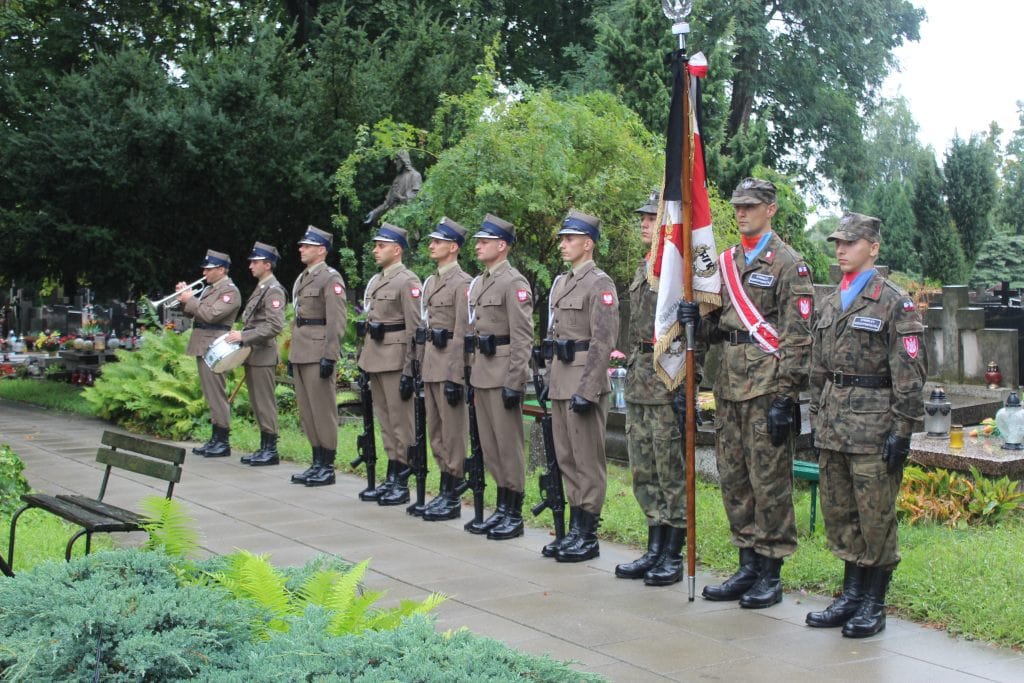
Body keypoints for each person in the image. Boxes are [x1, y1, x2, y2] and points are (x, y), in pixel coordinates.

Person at [806, 213, 926, 638]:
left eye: (851, 242)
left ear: (872, 248)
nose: (841, 249)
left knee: (875, 517)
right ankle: (850, 595)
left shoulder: (893, 301)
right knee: (840, 513)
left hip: (874, 430)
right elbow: (818, 367)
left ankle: (873, 602)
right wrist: (817, 417)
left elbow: (910, 374)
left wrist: (902, 431)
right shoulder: (831, 301)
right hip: (834, 426)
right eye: (838, 242)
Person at [699, 177, 814, 608]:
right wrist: (696, 318)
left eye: (751, 206)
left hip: (767, 388)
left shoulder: (789, 264)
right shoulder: (726, 262)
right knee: (734, 479)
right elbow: (717, 327)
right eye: (738, 206)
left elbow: (797, 338)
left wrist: (787, 397)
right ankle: (746, 564)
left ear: (771, 209)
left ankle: (770, 569)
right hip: (728, 386)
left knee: (770, 482)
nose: (741, 212)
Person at [615, 191, 698, 584]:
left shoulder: (681, 272)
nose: (645, 224)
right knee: (643, 467)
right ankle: (654, 546)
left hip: (667, 378)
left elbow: (696, 333)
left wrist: (688, 387)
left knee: (669, 469)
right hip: (639, 377)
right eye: (643, 218)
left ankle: (673, 553)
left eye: (652, 218)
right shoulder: (642, 268)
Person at [542, 210, 619, 562]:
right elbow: (552, 334)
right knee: (566, 458)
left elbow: (603, 342)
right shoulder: (561, 283)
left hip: (583, 382)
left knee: (587, 460)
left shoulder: (599, 283)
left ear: (587, 243)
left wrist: (587, 390)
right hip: (560, 379)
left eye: (569, 238)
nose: (563, 244)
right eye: (562, 238)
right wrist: (547, 376)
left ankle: (588, 534)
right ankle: (575, 529)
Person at [465, 214, 533, 540]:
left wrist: (515, 380)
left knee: (509, 446)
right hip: (482, 373)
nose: (477, 245)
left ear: (501, 246)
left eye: (484, 241)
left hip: (504, 373)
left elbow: (522, 337)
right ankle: (502, 506)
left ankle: (514, 512)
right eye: (478, 240)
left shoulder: (513, 283)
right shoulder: (479, 282)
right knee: (491, 447)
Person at [357, 223, 422, 505]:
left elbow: (414, 328)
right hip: (375, 357)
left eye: (381, 246)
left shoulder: (407, 281)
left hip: (396, 360)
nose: (375, 250)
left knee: (401, 423)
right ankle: (392, 472)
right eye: (376, 245)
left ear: (397, 250)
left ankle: (404, 478)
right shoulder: (376, 281)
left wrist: (411, 368)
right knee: (385, 421)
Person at [419, 217, 473, 521]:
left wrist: (455, 375)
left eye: (438, 242)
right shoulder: (432, 281)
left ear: (453, 247)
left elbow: (461, 332)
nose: (431, 245)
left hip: (448, 369)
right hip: (430, 366)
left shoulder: (461, 283)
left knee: (452, 434)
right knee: (436, 432)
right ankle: (443, 487)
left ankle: (452, 494)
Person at [287, 226, 347, 487]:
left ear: (321, 250)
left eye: (307, 246)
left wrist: (329, 356)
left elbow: (336, 321)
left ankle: (328, 465)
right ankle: (316, 460)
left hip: (318, 350)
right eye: (302, 245)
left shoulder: (329, 278)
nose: (301, 249)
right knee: (307, 411)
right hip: (301, 350)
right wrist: (291, 354)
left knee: (322, 410)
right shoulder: (302, 278)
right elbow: (297, 318)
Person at [227, 242, 287, 466]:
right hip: (254, 354)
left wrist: (244, 336)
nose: (251, 266)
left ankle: (270, 449)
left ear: (268, 265)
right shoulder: (262, 287)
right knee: (257, 402)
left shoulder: (273, 290)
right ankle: (264, 446)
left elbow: (274, 326)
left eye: (255, 262)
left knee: (265, 402)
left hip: (263, 355)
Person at [179, 250, 241, 458]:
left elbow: (210, 315)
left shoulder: (229, 292)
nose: (204, 272)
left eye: (209, 269)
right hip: (203, 344)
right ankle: (215, 438)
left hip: (215, 347)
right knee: (210, 394)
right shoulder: (209, 289)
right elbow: (193, 312)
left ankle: (222, 441)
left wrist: (192, 299)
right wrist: (183, 298)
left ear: (221, 270)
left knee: (217, 394)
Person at [363, 151, 423, 226]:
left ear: (403, 160)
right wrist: (374, 212)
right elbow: (387, 203)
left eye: (396, 159)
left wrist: (399, 197)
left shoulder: (415, 175)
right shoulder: (397, 179)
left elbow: (415, 200)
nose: (395, 162)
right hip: (393, 220)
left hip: (408, 222)